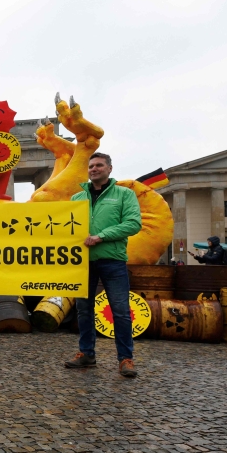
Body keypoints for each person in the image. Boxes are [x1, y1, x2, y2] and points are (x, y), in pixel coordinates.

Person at [64, 152, 142, 378]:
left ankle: (125, 358)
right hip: (83, 262)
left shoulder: (124, 195)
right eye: (91, 166)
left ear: (109, 168)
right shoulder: (77, 199)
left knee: (120, 311)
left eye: (99, 165)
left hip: (113, 260)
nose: (94, 169)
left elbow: (133, 224)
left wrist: (102, 236)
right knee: (83, 310)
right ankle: (86, 353)